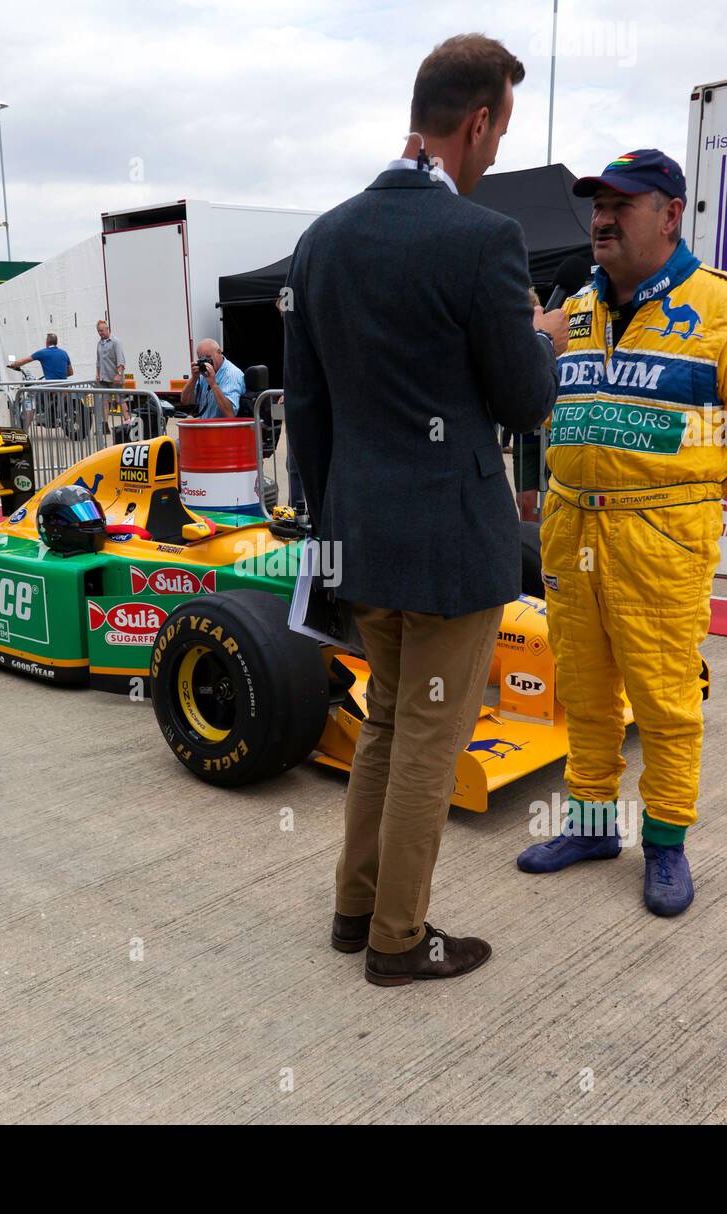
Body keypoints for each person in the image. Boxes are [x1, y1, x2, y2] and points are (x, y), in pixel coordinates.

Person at [283, 33, 565, 986]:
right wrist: (540, 335)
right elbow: (524, 403)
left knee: (387, 725)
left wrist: (332, 529)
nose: (494, 156)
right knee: (429, 746)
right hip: (450, 546)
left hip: (361, 537)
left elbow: (308, 415)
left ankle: (353, 910)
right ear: (477, 121)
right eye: (499, 134)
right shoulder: (483, 240)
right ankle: (399, 940)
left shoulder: (322, 240)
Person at [516, 149, 727, 916]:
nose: (602, 218)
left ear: (670, 215)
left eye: (621, 205)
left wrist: (682, 495)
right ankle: (592, 826)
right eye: (597, 205)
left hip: (662, 544)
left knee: (667, 703)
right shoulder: (576, 311)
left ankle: (665, 847)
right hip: (572, 534)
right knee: (584, 691)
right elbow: (545, 411)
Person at [180, 338, 244, 419]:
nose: (206, 362)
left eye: (208, 357)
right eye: (201, 359)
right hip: (205, 426)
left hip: (221, 429)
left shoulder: (232, 374)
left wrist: (213, 384)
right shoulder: (204, 373)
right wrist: (194, 378)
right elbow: (185, 401)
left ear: (219, 352)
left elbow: (230, 414)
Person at [95, 320, 125, 388]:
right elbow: (98, 362)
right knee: (104, 399)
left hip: (115, 380)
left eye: (102, 330)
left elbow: (121, 361)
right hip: (103, 380)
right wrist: (97, 374)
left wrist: (119, 375)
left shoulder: (116, 342)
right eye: (98, 331)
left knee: (118, 398)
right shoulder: (99, 344)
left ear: (107, 329)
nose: (100, 333)